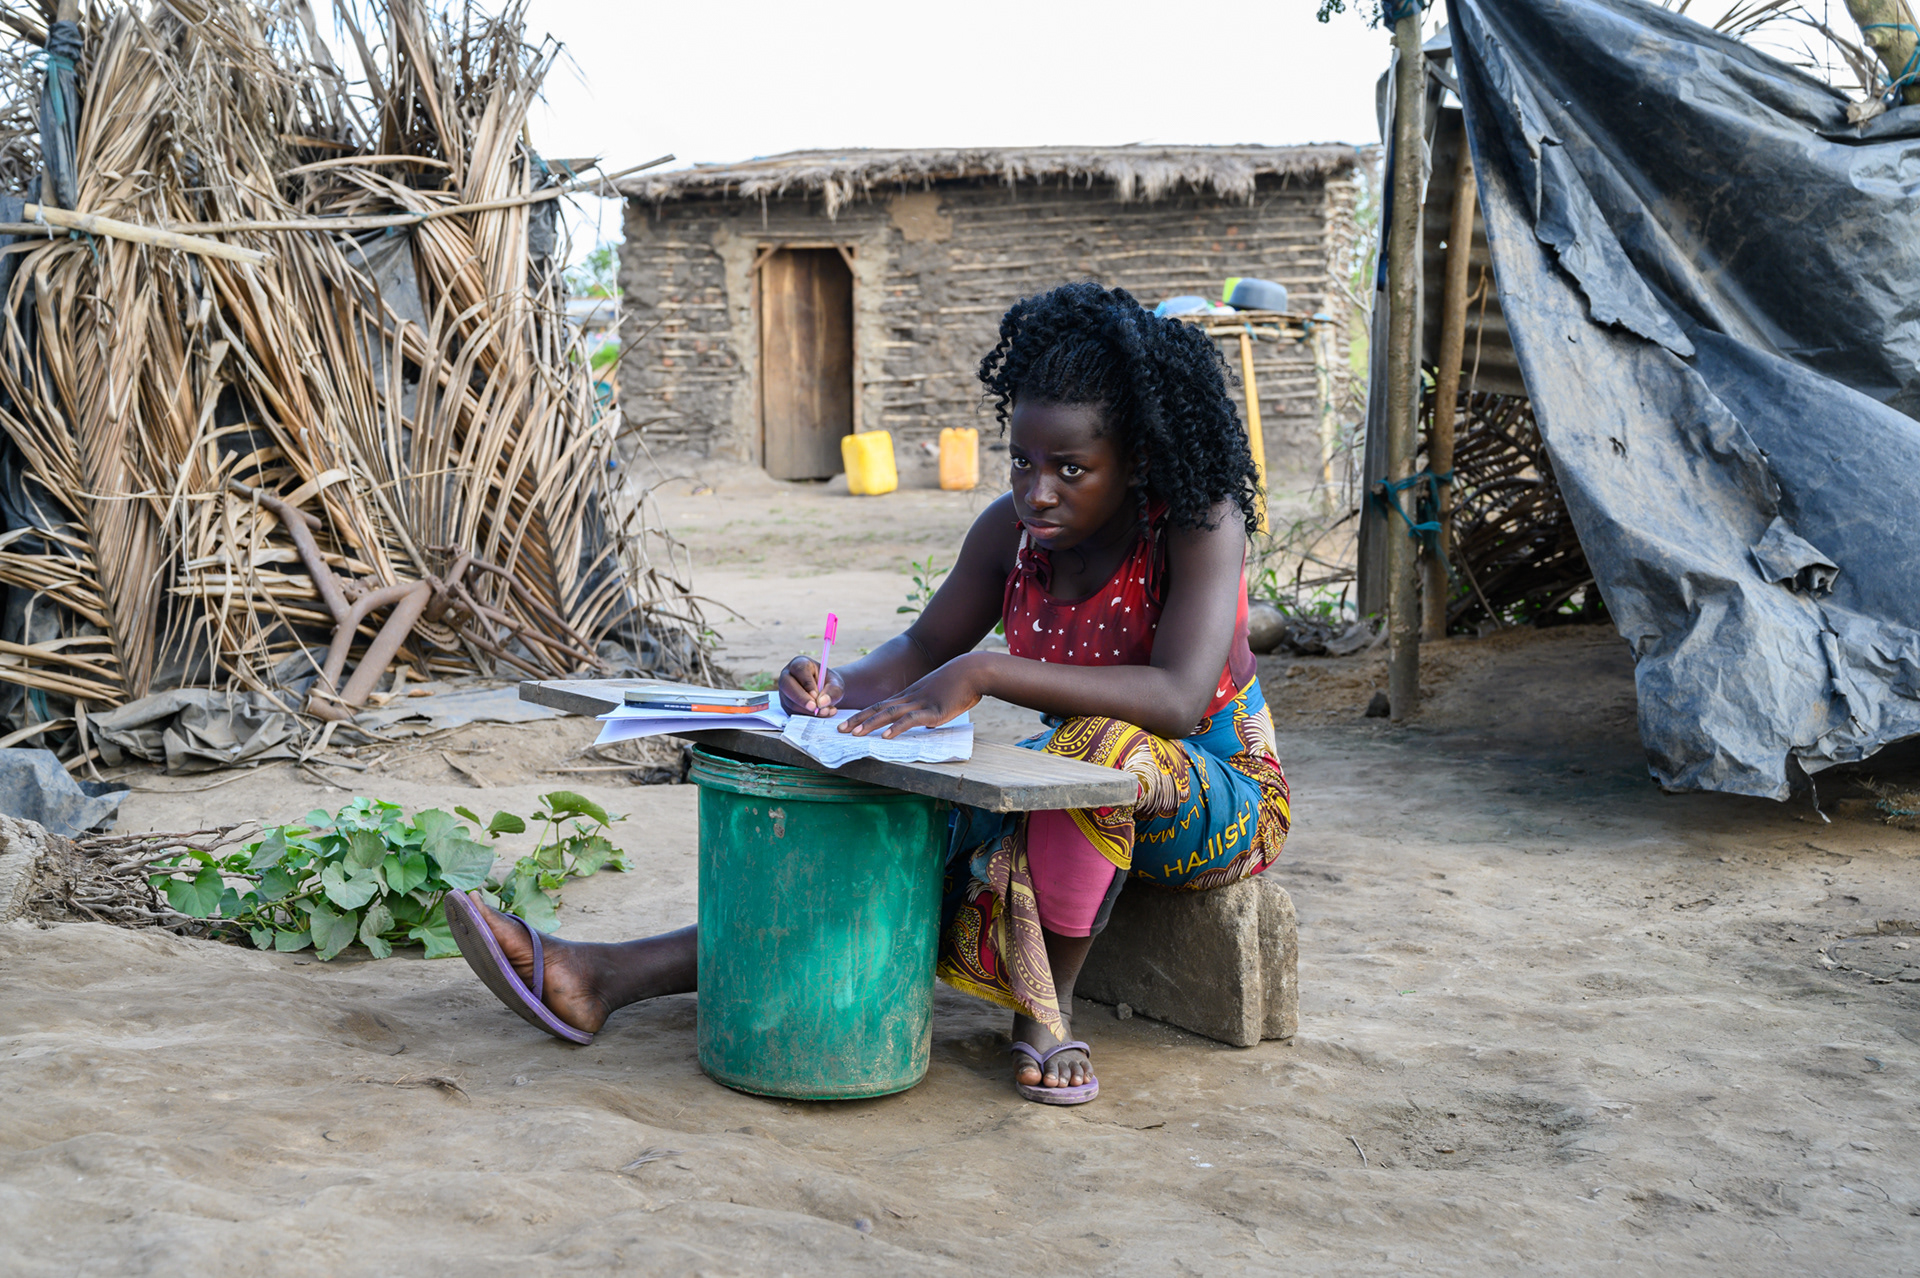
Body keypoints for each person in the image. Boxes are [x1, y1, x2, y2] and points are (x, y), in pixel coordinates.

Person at [444, 281, 1291, 1106]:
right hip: (1073, 775)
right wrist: (836, 684)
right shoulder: (1012, 532)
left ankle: (1045, 1011)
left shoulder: (1195, 522)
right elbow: (925, 646)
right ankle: (603, 976)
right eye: (1023, 461)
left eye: (1072, 468)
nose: (1038, 490)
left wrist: (985, 670)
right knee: (905, 816)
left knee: (1097, 752)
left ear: (1137, 461)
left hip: (1220, 791)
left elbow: (1179, 699)